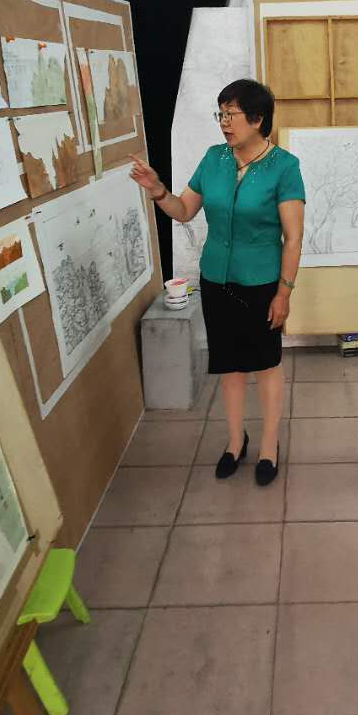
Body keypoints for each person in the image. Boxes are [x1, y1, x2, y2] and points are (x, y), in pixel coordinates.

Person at [129, 79, 304, 486]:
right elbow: (184, 210)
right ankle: (235, 440)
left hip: (261, 282)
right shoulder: (214, 159)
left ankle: (269, 444)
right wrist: (157, 190)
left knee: (265, 364)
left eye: (231, 114)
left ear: (257, 119)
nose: (224, 122)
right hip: (216, 280)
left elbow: (293, 237)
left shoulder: (284, 166)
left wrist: (283, 293)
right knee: (229, 364)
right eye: (220, 114)